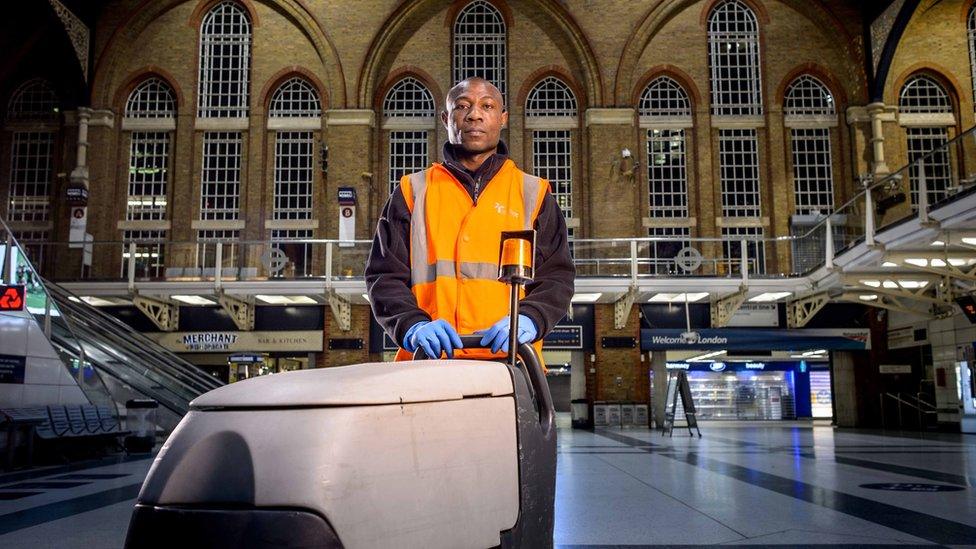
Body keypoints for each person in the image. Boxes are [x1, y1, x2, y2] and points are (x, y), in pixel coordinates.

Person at [366, 77, 575, 361]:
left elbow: (556, 277)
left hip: (509, 360)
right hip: (430, 361)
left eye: (487, 106)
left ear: (503, 118)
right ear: (445, 118)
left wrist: (529, 319)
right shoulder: (412, 192)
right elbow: (384, 276)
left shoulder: (533, 194)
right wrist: (413, 326)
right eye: (462, 106)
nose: (474, 114)